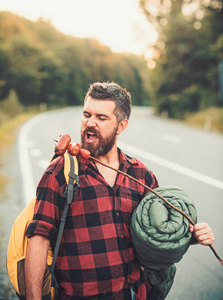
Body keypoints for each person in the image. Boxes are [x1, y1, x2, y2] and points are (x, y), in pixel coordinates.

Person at [25, 81, 214, 300]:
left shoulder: (141, 175)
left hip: (132, 294)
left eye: (101, 118)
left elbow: (158, 235)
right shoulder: (60, 171)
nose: (90, 123)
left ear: (122, 126)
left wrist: (192, 235)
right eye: (87, 115)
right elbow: (38, 237)